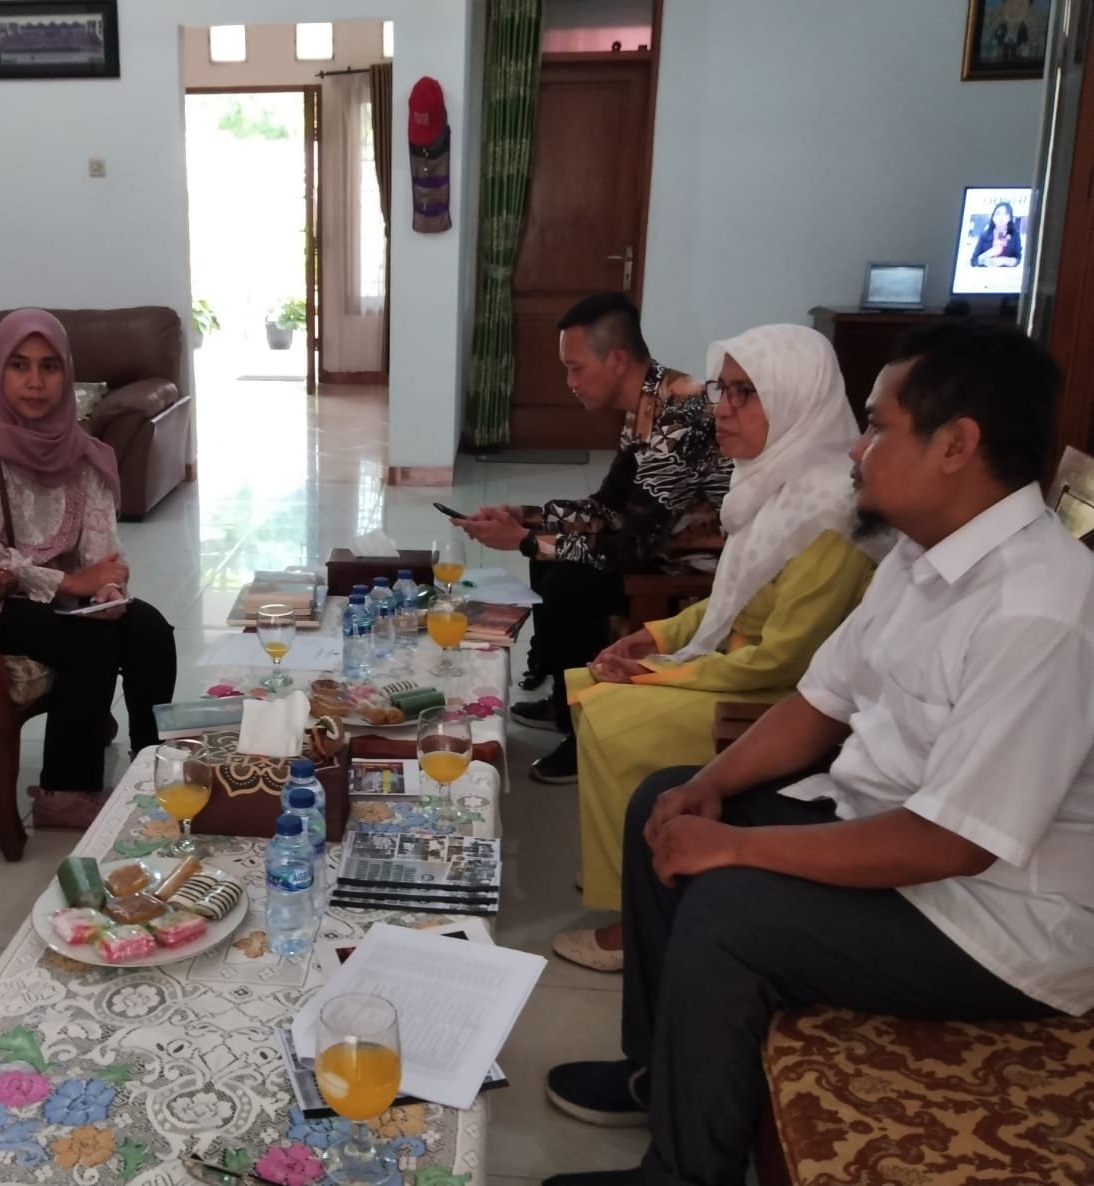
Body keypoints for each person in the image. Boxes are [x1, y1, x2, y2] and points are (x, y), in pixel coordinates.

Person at [542, 320, 1094, 1186]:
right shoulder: (919, 555)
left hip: (990, 922)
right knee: (667, 803)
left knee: (728, 910)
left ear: (955, 445)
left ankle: (684, 1175)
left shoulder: (1038, 610)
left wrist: (736, 848)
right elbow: (818, 701)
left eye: (877, 427)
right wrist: (709, 790)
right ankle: (659, 1073)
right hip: (878, 825)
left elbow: (951, 843)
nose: (855, 449)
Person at [552, 325, 885, 973]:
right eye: (720, 390)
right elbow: (733, 598)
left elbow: (783, 661)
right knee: (593, 691)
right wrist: (657, 637)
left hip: (778, 697)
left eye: (745, 394)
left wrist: (654, 675)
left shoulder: (831, 513)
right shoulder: (775, 482)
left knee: (613, 714)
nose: (721, 410)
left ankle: (636, 916)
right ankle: (628, 867)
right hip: (744, 669)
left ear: (794, 399)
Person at [0, 307, 177, 833]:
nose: (34, 382)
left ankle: (152, 764)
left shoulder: (81, 450)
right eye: (19, 365)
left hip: (61, 599)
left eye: (49, 366)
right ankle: (65, 790)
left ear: (67, 373)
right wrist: (68, 583)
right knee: (88, 642)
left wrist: (106, 588)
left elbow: (101, 548)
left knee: (148, 629)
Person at [455, 293, 731, 783]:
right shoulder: (647, 403)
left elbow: (633, 548)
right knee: (548, 551)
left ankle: (585, 730)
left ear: (618, 359)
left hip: (688, 572)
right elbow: (608, 506)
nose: (571, 383)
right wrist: (527, 518)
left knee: (568, 581)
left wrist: (525, 540)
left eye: (576, 368)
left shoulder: (682, 415)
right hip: (657, 547)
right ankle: (564, 698)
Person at [970, 200, 1022, 268]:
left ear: (1010, 218)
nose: (1001, 217)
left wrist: (1003, 260)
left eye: (1006, 214)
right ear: (993, 217)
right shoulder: (984, 235)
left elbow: (1018, 259)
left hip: (1006, 273)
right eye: (998, 213)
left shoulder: (1015, 235)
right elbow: (973, 261)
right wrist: (988, 254)